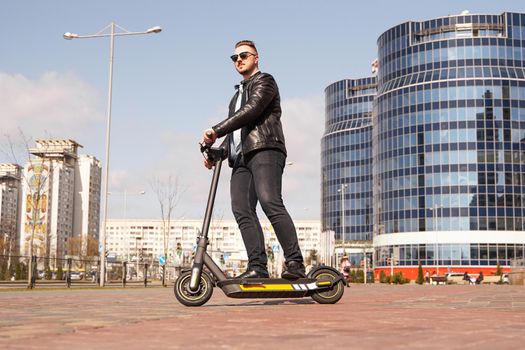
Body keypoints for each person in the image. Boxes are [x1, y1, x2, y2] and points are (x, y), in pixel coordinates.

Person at [202, 40, 305, 280]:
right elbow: (236, 135)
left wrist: (216, 129)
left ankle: (295, 263)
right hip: (241, 159)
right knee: (242, 209)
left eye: (244, 55)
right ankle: (257, 266)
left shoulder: (265, 81)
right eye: (234, 57)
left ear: (256, 58)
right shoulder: (234, 97)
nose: (238, 60)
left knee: (270, 202)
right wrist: (216, 152)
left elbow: (252, 110)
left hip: (265, 148)